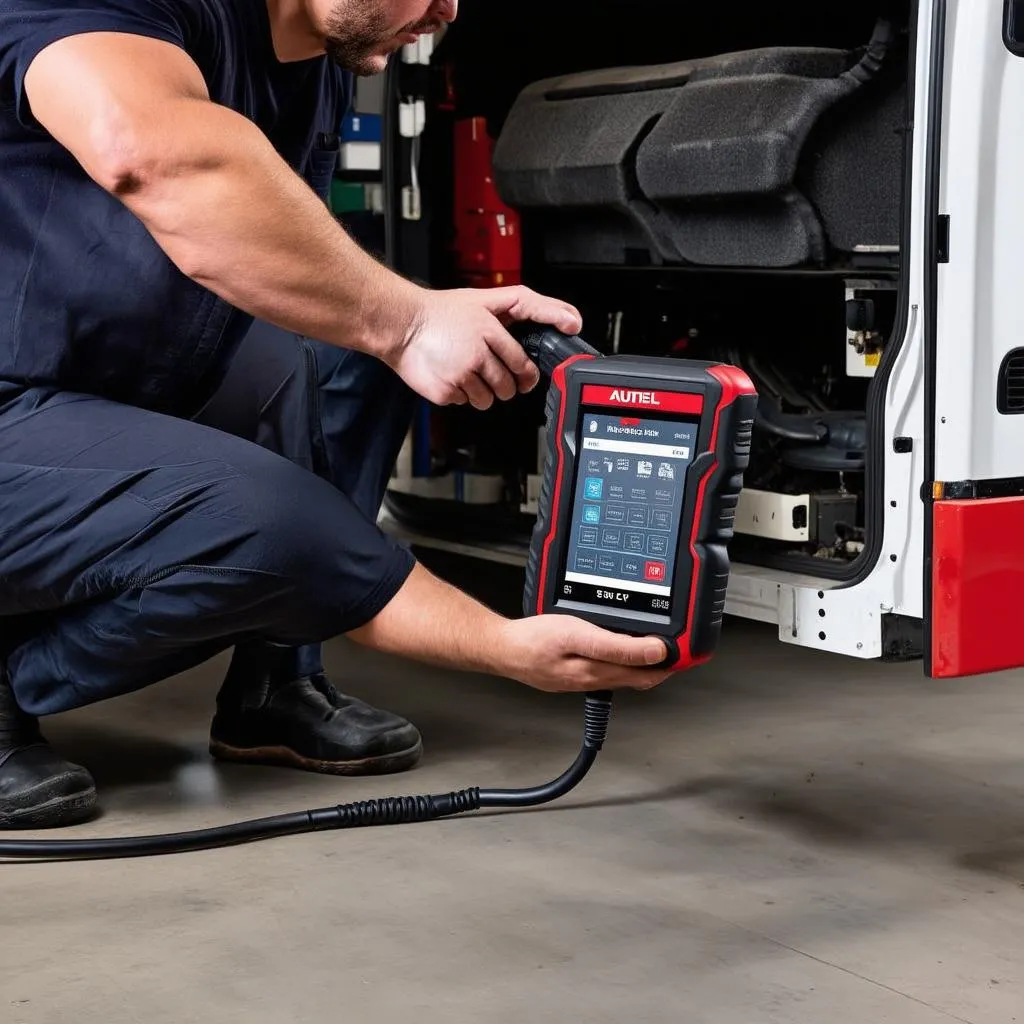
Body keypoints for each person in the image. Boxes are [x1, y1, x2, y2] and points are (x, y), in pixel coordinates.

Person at [0, 0, 674, 830]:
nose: (447, 9)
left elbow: (281, 270)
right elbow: (150, 153)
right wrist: (499, 645)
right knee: (265, 525)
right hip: (13, 405)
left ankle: (276, 678)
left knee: (359, 361)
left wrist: (414, 327)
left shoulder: (319, 59)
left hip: (88, 378)